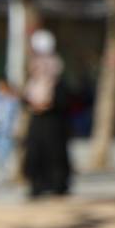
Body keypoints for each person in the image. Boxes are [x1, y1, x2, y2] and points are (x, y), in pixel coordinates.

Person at [21, 29, 71, 197]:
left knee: (56, 155)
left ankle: (57, 185)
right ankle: (38, 185)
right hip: (38, 121)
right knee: (35, 153)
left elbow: (62, 100)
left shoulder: (57, 76)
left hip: (54, 122)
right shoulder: (33, 77)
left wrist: (49, 103)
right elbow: (27, 98)